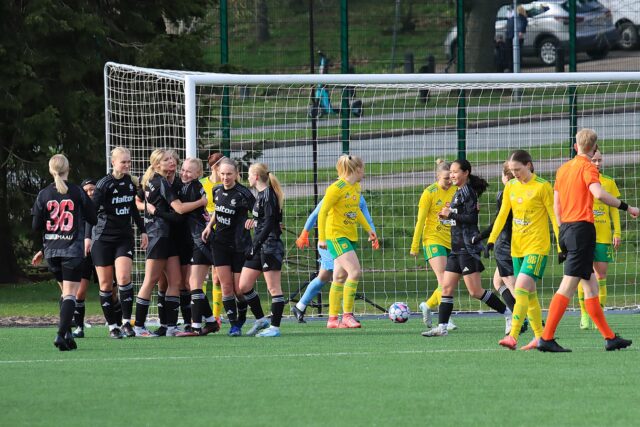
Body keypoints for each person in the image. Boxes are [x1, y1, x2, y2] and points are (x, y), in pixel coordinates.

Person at [539, 128, 638, 352]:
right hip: (581, 230)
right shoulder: (588, 167)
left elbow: (556, 204)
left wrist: (563, 230)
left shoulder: (563, 169)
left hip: (566, 228)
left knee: (591, 286)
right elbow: (599, 194)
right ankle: (546, 337)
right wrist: (628, 207)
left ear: (576, 146)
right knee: (568, 285)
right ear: (594, 148)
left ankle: (610, 338)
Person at [422, 159, 510, 337]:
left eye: (455, 172)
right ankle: (442, 328)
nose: (452, 175)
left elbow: (471, 219)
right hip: (456, 248)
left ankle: (509, 315)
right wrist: (447, 217)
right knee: (446, 288)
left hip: (467, 248)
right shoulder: (458, 192)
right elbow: (459, 218)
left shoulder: (468, 192)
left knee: (475, 291)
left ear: (466, 173)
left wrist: (450, 214)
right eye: (451, 172)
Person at [484, 150, 559, 351]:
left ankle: (513, 336)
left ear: (529, 165)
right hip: (517, 249)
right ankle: (540, 337)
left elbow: (554, 217)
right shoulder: (511, 186)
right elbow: (502, 216)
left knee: (521, 288)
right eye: (512, 170)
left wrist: (561, 246)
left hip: (537, 247)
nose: (515, 173)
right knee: (530, 294)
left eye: (518, 169)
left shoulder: (542, 186)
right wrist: (491, 240)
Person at [134, 149, 206, 337]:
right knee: (151, 280)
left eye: (172, 159)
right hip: (158, 235)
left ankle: (171, 327)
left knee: (175, 281)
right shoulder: (159, 181)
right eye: (166, 160)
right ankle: (139, 326)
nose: (172, 162)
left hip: (170, 237)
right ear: (157, 164)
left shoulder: (164, 181)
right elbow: (179, 209)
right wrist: (202, 202)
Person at [31, 154, 97, 351]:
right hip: (71, 249)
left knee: (65, 293)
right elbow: (93, 218)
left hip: (52, 251)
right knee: (70, 294)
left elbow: (36, 226)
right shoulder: (77, 191)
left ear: (51, 170)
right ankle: (61, 334)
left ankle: (68, 335)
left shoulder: (43, 194)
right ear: (68, 169)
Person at [154, 158, 219, 336]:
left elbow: (180, 210)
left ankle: (195, 327)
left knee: (193, 284)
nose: (184, 173)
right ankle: (209, 322)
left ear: (198, 174)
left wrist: (155, 210)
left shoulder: (192, 188)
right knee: (186, 284)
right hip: (189, 240)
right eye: (183, 170)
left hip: (200, 239)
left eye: (189, 171)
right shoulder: (183, 185)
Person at [90, 147, 148, 339]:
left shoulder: (131, 183)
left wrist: (143, 230)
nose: (127, 165)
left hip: (124, 238)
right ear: (113, 162)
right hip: (103, 239)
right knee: (106, 284)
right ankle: (112, 326)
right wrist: (87, 237)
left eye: (128, 161)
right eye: (123, 162)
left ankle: (126, 323)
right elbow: (91, 212)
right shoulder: (104, 184)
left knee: (123, 278)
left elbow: (133, 208)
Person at [293, 194, 378, 323]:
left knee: (324, 277)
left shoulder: (359, 198)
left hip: (345, 242)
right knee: (343, 274)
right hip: (329, 241)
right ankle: (346, 315)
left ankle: (300, 307)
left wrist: (373, 233)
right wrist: (304, 233)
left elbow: (368, 219)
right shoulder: (335, 193)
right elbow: (316, 214)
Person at [317, 154, 377, 329]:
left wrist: (368, 229)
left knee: (339, 277)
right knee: (355, 272)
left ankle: (332, 320)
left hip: (350, 236)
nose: (364, 172)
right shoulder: (336, 188)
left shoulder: (356, 187)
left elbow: (355, 210)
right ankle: (348, 316)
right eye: (363, 169)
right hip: (336, 236)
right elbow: (322, 212)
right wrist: (322, 238)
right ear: (357, 170)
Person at [202, 157, 255, 337]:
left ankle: (242, 317)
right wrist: (209, 226)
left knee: (239, 289)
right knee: (225, 287)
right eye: (223, 174)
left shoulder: (244, 193)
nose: (225, 177)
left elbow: (259, 212)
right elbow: (217, 211)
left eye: (229, 174)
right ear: (218, 173)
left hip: (240, 245)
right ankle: (234, 325)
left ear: (236, 174)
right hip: (219, 244)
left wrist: (253, 221)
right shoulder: (216, 190)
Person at [238, 163, 286, 337]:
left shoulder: (269, 195)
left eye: (249, 175)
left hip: (270, 247)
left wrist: (255, 245)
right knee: (244, 285)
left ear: (256, 176)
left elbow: (270, 224)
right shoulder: (260, 195)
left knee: (274, 288)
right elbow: (266, 220)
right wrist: (254, 222)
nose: (248, 178)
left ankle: (275, 328)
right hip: (260, 246)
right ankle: (261, 319)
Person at [409, 159, 458, 330]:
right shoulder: (429, 193)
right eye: (446, 178)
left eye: (451, 178)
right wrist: (414, 246)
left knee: (449, 281)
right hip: (433, 239)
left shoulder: (456, 191)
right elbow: (420, 220)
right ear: (437, 176)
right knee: (444, 279)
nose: (449, 181)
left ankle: (428, 305)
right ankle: (446, 319)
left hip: (452, 241)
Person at [474, 161, 521, 334]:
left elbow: (498, 222)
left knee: (516, 288)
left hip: (505, 244)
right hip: (517, 241)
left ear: (505, 177)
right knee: (498, 282)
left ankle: (532, 320)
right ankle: (518, 316)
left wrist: (482, 236)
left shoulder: (505, 193)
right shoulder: (522, 190)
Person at [577, 148, 621, 329]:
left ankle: (598, 315)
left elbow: (614, 209)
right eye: (593, 160)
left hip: (603, 236)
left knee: (601, 276)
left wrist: (617, 232)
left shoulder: (608, 182)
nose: (596, 163)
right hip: (583, 235)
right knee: (583, 275)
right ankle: (584, 314)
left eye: (599, 160)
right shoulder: (580, 179)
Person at [200, 152, 224, 325]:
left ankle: (216, 315)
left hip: (221, 235)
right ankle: (200, 312)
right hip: (202, 234)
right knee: (201, 276)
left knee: (217, 277)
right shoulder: (202, 184)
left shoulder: (228, 185)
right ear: (215, 167)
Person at [72, 178, 98, 338]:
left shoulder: (103, 204)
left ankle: (116, 325)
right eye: (86, 190)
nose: (90, 193)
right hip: (84, 254)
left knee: (111, 291)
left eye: (92, 189)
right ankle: (79, 327)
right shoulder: (77, 209)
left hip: (102, 251)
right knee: (79, 293)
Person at [505, 5, 528, 72]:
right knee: (510, 53)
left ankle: (516, 68)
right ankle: (511, 68)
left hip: (515, 36)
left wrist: (521, 31)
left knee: (516, 53)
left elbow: (523, 23)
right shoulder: (510, 16)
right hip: (510, 36)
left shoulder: (519, 16)